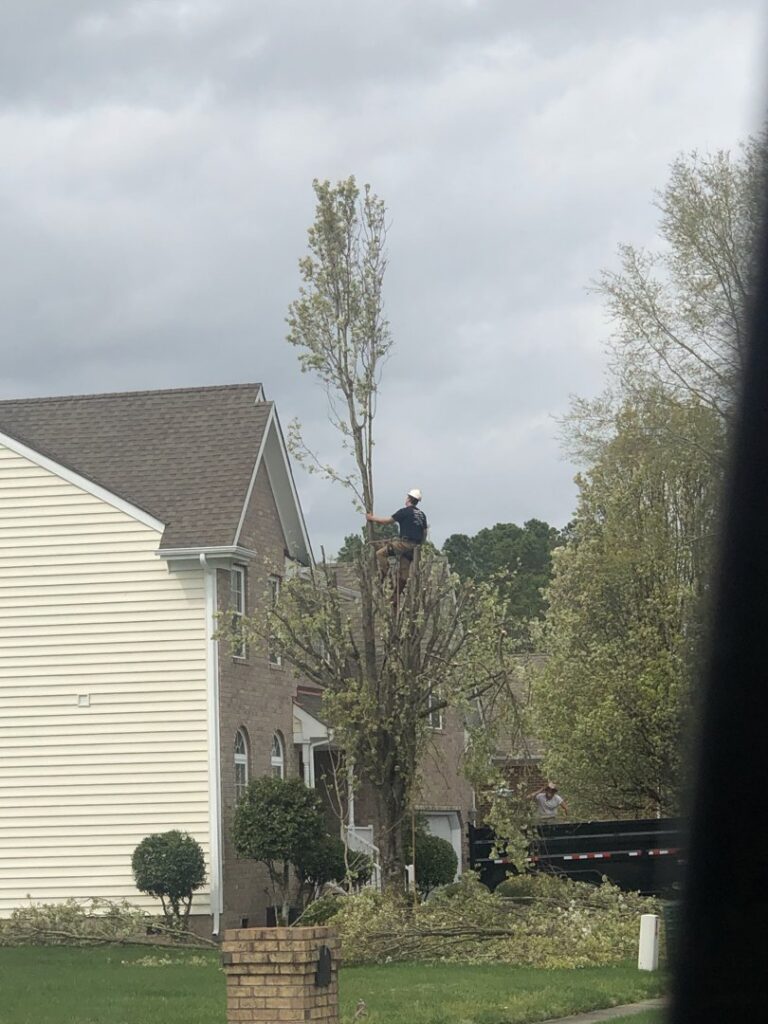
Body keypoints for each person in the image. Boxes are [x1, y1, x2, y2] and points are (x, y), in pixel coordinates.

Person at [366, 488, 428, 589]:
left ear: (408, 499)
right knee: (404, 571)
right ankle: (395, 598)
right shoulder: (422, 515)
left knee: (380, 554)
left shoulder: (404, 512)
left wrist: (371, 518)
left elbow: (386, 521)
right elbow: (424, 532)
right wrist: (420, 544)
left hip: (404, 544)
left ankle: (387, 575)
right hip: (415, 547)